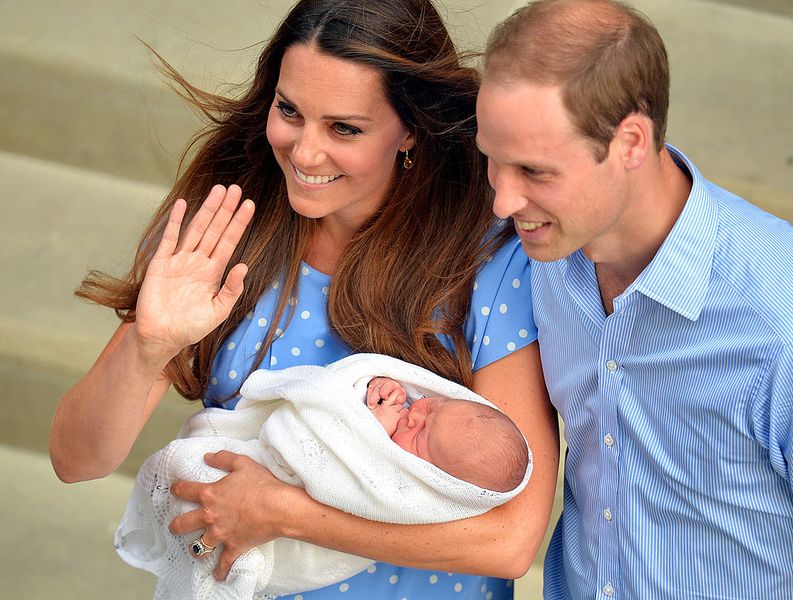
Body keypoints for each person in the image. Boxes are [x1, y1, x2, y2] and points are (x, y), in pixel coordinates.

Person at [49, 1, 560, 599]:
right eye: (289, 111)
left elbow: (510, 542)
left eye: (344, 128)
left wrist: (286, 514)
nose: (304, 153)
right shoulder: (230, 227)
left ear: (411, 129)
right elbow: (75, 460)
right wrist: (146, 348)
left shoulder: (490, 260)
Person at [476, 0, 793, 598]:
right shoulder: (536, 254)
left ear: (630, 141)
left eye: (535, 171)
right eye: (492, 160)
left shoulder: (785, 318)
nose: (503, 200)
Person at [116, 354, 534, 599]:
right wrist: (369, 389)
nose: (416, 411)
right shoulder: (403, 410)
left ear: (437, 480)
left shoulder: (408, 491)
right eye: (435, 408)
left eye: (421, 433)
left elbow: (327, 462)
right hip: (232, 474)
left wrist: (367, 426)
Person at [368, 374, 528, 493]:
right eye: (431, 407)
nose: (413, 416)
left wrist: (374, 428)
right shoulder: (407, 413)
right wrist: (382, 387)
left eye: (419, 436)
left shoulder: (406, 489)